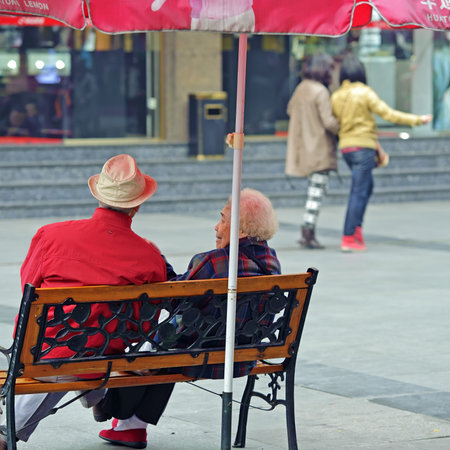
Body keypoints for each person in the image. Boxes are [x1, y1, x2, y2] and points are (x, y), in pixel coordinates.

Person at [0, 154, 169, 450]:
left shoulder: (50, 235)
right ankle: (97, 397)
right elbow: (144, 323)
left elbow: (29, 285)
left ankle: (7, 433)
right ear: (137, 205)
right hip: (104, 354)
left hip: (45, 349)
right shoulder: (149, 256)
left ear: (99, 196)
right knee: (80, 349)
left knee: (61, 350)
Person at [96, 188, 281, 449]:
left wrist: (157, 259)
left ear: (241, 231)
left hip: (205, 357)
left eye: (224, 219)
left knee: (159, 346)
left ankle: (115, 413)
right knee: (169, 340)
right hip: (244, 355)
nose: (216, 226)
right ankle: (131, 426)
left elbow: (173, 299)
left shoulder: (215, 263)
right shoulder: (272, 262)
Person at [331, 54, 432, 252]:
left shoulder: (336, 96)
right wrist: (417, 120)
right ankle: (348, 236)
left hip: (346, 148)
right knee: (359, 191)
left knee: (366, 187)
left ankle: (356, 230)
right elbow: (388, 114)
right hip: (363, 147)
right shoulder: (365, 92)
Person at [285, 53, 340, 249]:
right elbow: (329, 122)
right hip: (319, 147)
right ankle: (308, 231)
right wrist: (346, 125)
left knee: (313, 190)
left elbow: (290, 110)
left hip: (303, 147)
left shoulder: (301, 88)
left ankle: (308, 231)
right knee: (316, 192)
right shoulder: (321, 91)